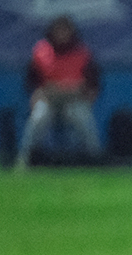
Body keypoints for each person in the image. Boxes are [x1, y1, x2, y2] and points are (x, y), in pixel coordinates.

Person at [19, 15, 102, 167]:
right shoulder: (41, 51)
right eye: (59, 30)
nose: (62, 34)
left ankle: (94, 158)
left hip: (74, 100)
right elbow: (31, 81)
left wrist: (88, 96)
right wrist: (37, 94)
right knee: (38, 117)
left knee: (83, 119)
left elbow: (93, 83)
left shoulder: (82, 53)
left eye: (66, 30)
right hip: (48, 100)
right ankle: (25, 159)